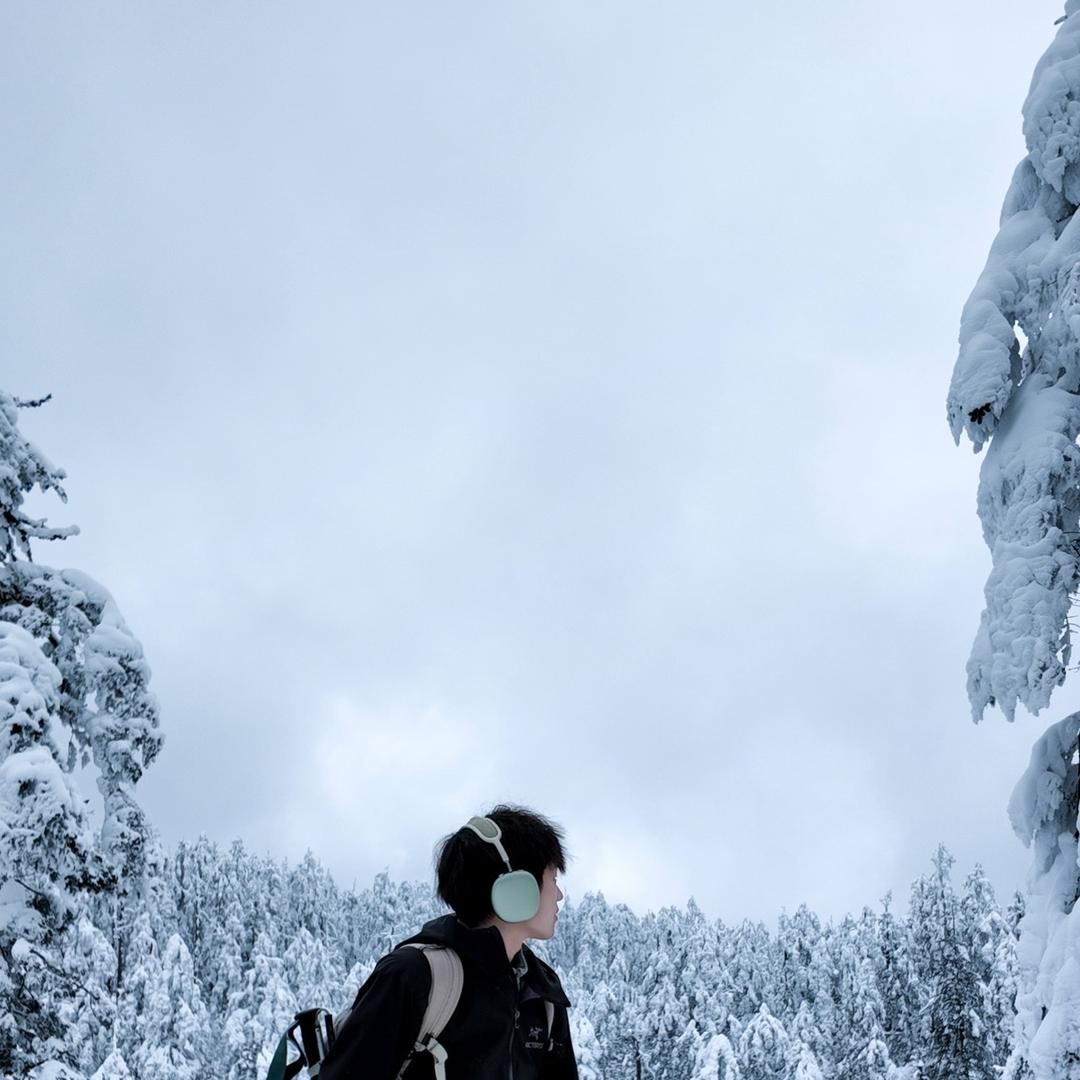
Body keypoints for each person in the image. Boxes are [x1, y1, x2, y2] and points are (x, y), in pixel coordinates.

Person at [320, 804, 579, 1079]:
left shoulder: (542, 993)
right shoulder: (414, 976)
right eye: (553, 878)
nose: (559, 895)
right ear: (518, 886)